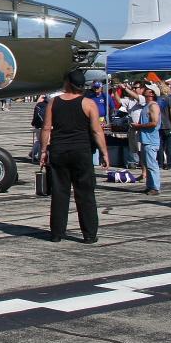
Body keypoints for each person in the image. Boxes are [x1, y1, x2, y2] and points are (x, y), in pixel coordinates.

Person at [40, 69, 107, 243]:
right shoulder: (88, 104)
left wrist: (42, 151)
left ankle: (56, 233)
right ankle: (89, 234)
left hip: (59, 151)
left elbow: (46, 128)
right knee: (85, 193)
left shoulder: (53, 102)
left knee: (60, 193)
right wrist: (104, 152)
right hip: (81, 152)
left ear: (67, 83)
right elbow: (96, 130)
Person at [125, 83, 162, 194]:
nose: (145, 90)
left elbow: (154, 123)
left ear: (152, 93)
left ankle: (155, 187)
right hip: (145, 139)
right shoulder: (147, 105)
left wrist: (139, 126)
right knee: (147, 164)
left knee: (152, 165)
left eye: (147, 89)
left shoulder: (153, 106)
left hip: (151, 140)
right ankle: (150, 186)